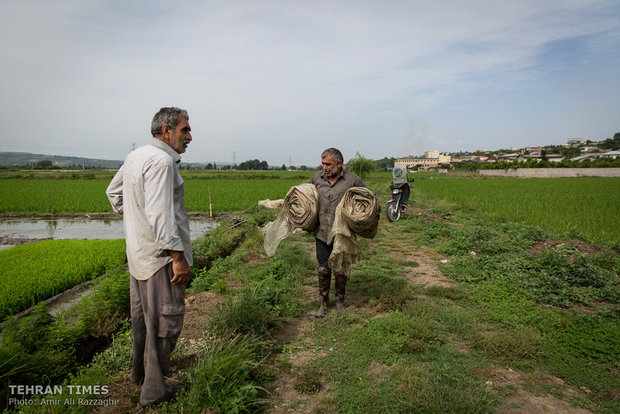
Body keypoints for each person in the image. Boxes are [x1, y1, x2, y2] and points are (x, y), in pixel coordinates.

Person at [106, 107, 193, 406]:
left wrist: (136, 220)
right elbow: (160, 215)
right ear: (166, 130)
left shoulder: (136, 156)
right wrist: (177, 257)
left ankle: (140, 376)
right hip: (161, 260)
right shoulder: (161, 162)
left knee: (143, 320)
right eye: (185, 130)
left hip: (139, 256)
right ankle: (154, 391)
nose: (189, 136)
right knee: (164, 322)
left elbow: (114, 194)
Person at [310, 148, 374, 318]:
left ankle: (339, 302)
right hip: (322, 232)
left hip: (342, 233)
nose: (325, 167)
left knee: (340, 268)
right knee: (323, 269)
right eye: (323, 163)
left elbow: (370, 199)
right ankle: (323, 304)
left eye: (328, 164)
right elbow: (307, 197)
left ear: (339, 164)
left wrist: (371, 219)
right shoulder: (317, 178)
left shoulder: (353, 180)